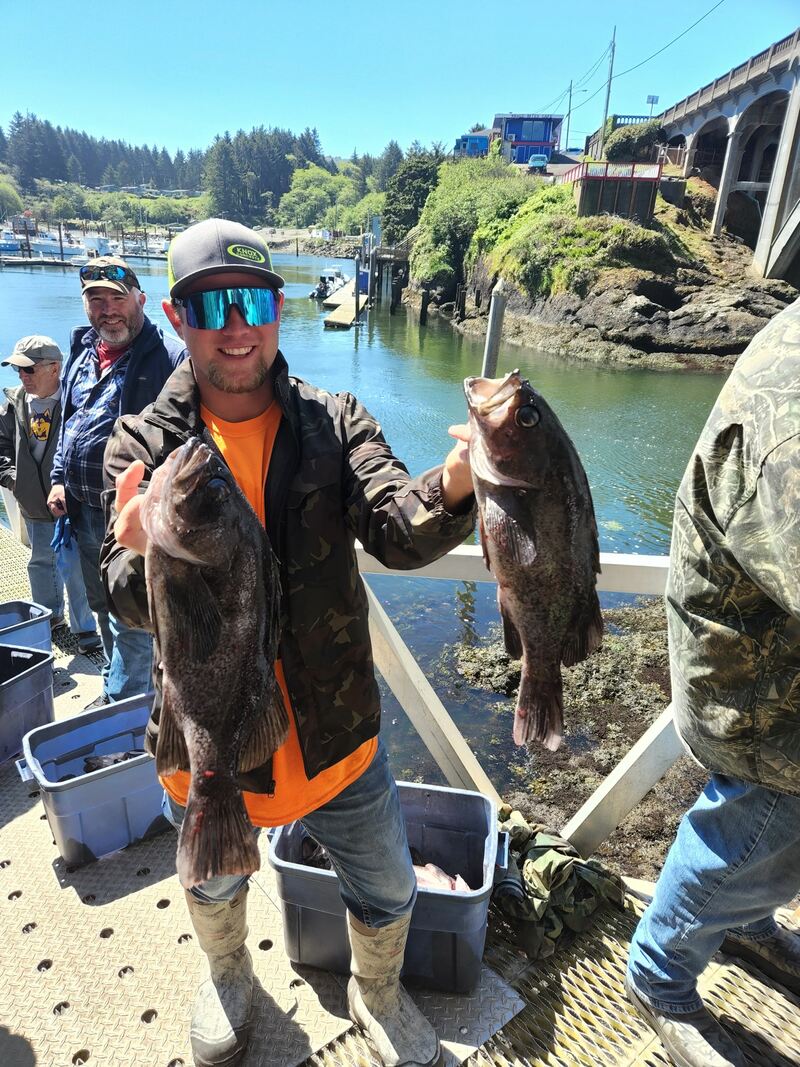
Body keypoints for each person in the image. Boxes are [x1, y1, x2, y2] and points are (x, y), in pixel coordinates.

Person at [99, 218, 475, 1067]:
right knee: (213, 877)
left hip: (338, 736)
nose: (238, 325)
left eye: (256, 301)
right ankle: (229, 974)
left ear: (279, 309)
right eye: (212, 304)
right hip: (202, 747)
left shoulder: (333, 421)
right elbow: (121, 597)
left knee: (384, 885)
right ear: (178, 314)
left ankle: (377, 991)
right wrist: (134, 553)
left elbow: (396, 529)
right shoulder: (142, 444)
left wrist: (458, 481)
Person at [625, 295, 800, 1067]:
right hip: (751, 685)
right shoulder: (790, 437)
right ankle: (659, 972)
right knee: (758, 820)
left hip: (757, 654)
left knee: (757, 834)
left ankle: (743, 921)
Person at [47, 256, 187, 710]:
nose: (108, 309)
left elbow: (187, 440)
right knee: (102, 602)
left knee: (133, 616)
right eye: (96, 299)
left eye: (117, 298)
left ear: (140, 300)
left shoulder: (169, 358)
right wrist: (57, 479)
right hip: (81, 507)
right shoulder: (82, 351)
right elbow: (68, 420)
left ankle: (121, 709)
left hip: (133, 516)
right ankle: (116, 682)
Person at [0, 335, 100, 652]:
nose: (22, 377)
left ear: (54, 368)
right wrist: (14, 479)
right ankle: (49, 618)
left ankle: (86, 631)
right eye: (17, 370)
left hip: (73, 506)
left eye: (28, 369)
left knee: (77, 568)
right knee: (40, 563)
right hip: (32, 504)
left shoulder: (79, 401)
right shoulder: (13, 404)